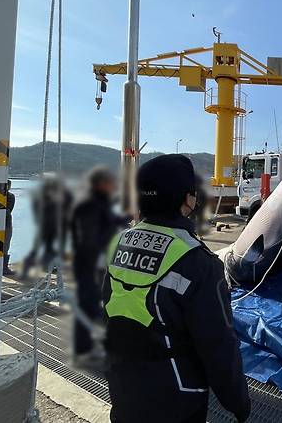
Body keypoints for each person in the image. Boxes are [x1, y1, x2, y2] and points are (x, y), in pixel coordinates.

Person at [102, 154, 250, 423]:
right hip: (177, 396)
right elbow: (218, 345)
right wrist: (238, 402)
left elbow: (108, 311)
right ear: (187, 200)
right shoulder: (199, 262)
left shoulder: (118, 243)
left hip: (122, 385)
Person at [71, 167, 127, 363]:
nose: (114, 186)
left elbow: (108, 223)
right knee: (87, 303)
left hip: (99, 262)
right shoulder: (89, 205)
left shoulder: (99, 202)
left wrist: (125, 219)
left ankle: (97, 342)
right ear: (102, 184)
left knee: (99, 302)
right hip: (89, 263)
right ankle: (83, 349)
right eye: (111, 182)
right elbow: (90, 237)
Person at [2, 180, 16, 276]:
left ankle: (4, 267)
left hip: (6, 223)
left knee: (6, 245)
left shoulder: (10, 196)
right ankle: (4, 267)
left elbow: (8, 210)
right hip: (6, 223)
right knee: (5, 245)